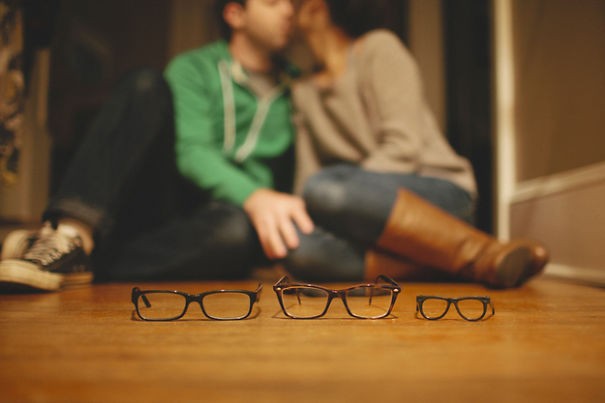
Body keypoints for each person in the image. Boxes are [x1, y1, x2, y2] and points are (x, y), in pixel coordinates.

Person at [0, 0, 313, 291]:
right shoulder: (195, 67)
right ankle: (69, 232)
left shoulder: (298, 86)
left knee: (233, 234)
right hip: (173, 200)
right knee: (145, 84)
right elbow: (192, 153)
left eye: (291, 2)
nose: (288, 10)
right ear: (235, 14)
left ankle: (86, 261)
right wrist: (255, 196)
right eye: (272, 2)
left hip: (228, 220)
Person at [280, 0, 548, 288]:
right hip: (361, 212)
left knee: (325, 189)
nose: (285, 9)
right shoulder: (302, 91)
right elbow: (306, 177)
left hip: (438, 195)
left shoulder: (379, 48)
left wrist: (351, 194)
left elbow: (403, 148)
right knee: (298, 247)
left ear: (315, 6)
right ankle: (453, 263)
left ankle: (479, 251)